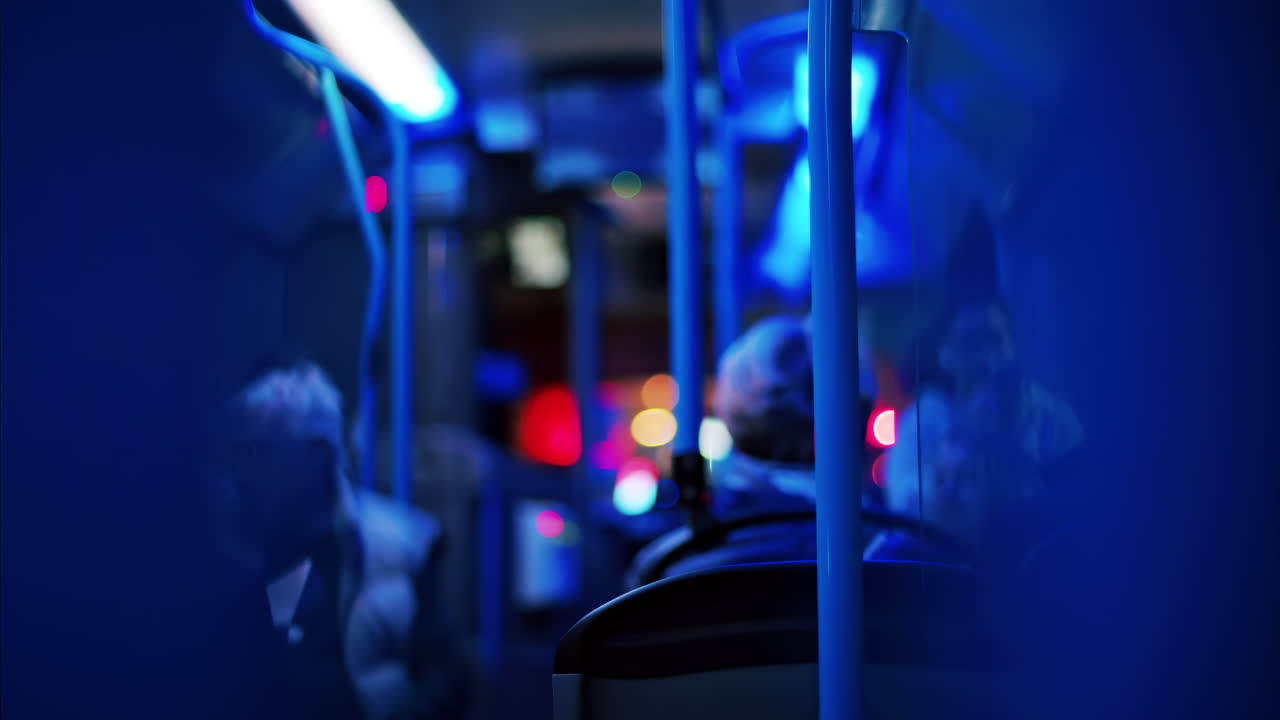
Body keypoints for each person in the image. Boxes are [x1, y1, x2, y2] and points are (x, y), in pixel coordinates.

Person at [216, 362, 468, 720]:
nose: (244, 475)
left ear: (318, 454)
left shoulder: (399, 545)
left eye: (261, 453)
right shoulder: (239, 553)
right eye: (238, 456)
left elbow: (449, 675)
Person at [871, 297, 1084, 565]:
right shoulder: (923, 422)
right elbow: (908, 506)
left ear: (1013, 347)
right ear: (945, 353)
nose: (985, 357)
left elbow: (1079, 498)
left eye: (994, 340)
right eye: (970, 343)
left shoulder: (1052, 416)